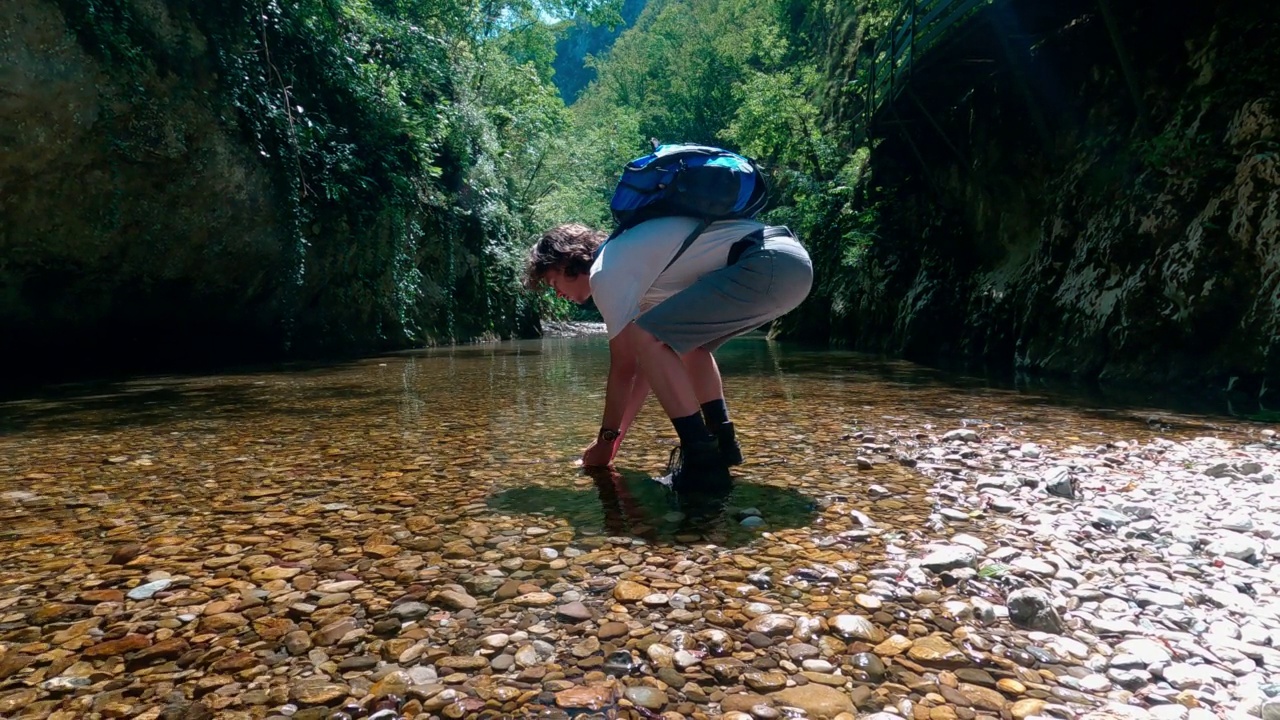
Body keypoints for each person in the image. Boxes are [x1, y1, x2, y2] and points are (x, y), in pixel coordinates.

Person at [523, 215, 813, 490]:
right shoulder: (633, 262)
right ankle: (723, 444)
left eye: (553, 283)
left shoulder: (606, 271)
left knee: (649, 337)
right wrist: (613, 443)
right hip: (793, 264)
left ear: (565, 263)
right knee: (683, 345)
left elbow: (625, 367)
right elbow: (646, 368)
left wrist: (606, 440)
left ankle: (703, 463)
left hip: (764, 265)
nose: (557, 293)